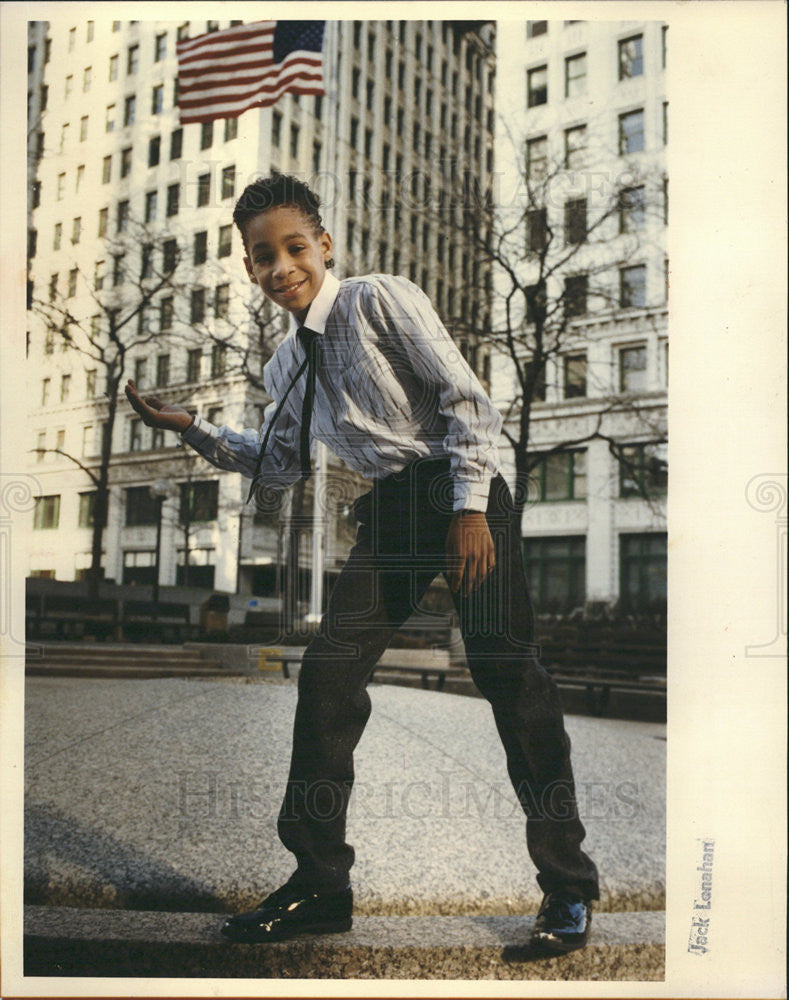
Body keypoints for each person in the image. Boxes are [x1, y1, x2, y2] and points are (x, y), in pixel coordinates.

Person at [125, 173, 599, 953]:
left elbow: (466, 401)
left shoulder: (379, 299)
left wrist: (471, 508)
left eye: (293, 247)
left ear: (324, 245)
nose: (281, 267)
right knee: (328, 675)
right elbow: (277, 465)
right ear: (248, 268)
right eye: (261, 256)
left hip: (457, 487)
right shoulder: (285, 368)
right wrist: (191, 428)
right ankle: (319, 884)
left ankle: (567, 888)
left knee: (508, 676)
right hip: (387, 514)